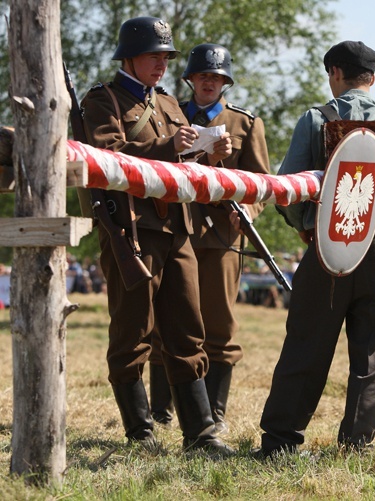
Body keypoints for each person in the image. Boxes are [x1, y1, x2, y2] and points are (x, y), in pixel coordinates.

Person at [257, 40, 375, 456]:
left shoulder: (316, 119)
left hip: (327, 251)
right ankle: (355, 446)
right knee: (372, 359)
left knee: (305, 349)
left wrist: (306, 229)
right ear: (373, 78)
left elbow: (288, 189)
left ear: (335, 73)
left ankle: (280, 442)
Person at [80, 16, 234, 455]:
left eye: (166, 57)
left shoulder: (167, 103)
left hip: (177, 226)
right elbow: (107, 159)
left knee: (188, 328)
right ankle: (141, 434)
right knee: (133, 330)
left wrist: (210, 154)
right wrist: (173, 147)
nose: (162, 64)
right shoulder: (102, 101)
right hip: (132, 228)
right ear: (129, 57)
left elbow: (186, 165)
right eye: (154, 56)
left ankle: (201, 433)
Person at [148, 43, 270, 435]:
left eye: (216, 77)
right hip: (170, 229)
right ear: (191, 79)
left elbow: (260, 186)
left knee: (218, 325)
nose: (209, 83)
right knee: (161, 324)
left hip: (219, 237)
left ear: (225, 83)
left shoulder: (246, 124)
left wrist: (246, 212)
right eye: (203, 76)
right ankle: (161, 411)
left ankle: (213, 414)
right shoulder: (168, 115)